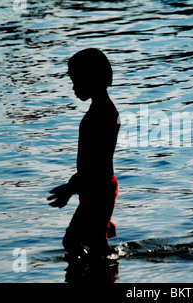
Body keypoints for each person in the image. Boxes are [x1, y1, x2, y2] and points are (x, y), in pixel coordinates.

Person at [47, 48, 120, 259]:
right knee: (88, 240)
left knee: (78, 241)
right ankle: (102, 270)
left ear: (92, 78)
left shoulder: (102, 114)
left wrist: (71, 188)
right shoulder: (101, 110)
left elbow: (97, 163)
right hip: (96, 186)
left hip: (98, 187)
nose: (73, 87)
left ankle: (101, 273)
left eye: (76, 80)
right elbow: (91, 162)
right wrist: (75, 185)